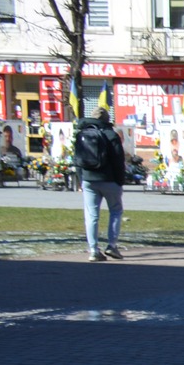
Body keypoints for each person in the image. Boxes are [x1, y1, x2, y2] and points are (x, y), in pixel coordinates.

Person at [74, 112, 127, 261]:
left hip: (88, 180)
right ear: (106, 119)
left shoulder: (82, 134)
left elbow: (77, 160)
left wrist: (81, 179)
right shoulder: (111, 135)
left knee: (91, 215)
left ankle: (93, 250)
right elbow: (118, 160)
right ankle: (112, 246)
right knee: (115, 211)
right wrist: (120, 180)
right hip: (110, 180)